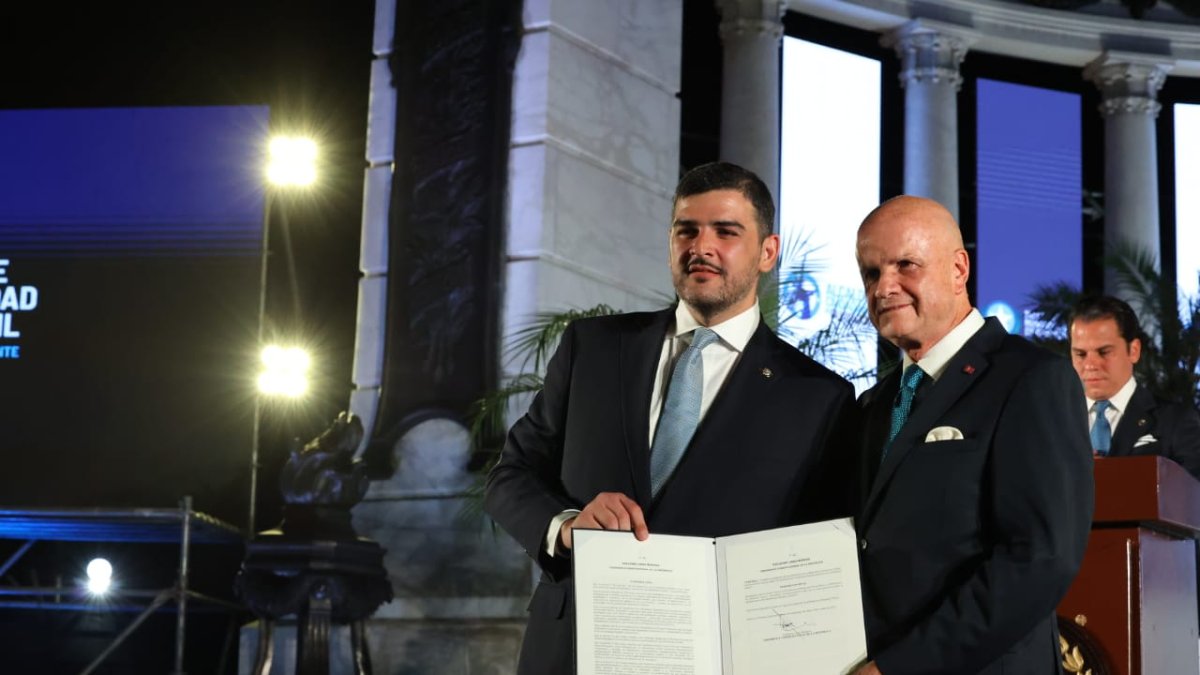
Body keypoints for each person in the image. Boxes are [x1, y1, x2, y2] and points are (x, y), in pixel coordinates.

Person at [484, 161, 856, 675]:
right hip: (569, 650)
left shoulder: (819, 396)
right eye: (687, 230)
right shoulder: (592, 349)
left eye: (726, 232)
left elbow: (818, 559)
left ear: (767, 252)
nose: (702, 247)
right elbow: (510, 476)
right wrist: (567, 527)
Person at [851, 195, 1093, 674]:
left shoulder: (1031, 379)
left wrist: (902, 666)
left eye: (905, 265)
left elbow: (1040, 559)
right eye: (871, 273)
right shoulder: (874, 405)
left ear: (959, 269)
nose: (884, 287)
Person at [1068, 294, 1200, 478]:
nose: (1090, 365)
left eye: (1104, 352)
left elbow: (1192, 490)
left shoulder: (1176, 422)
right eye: (1081, 354)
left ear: (1134, 351)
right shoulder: (1051, 422)